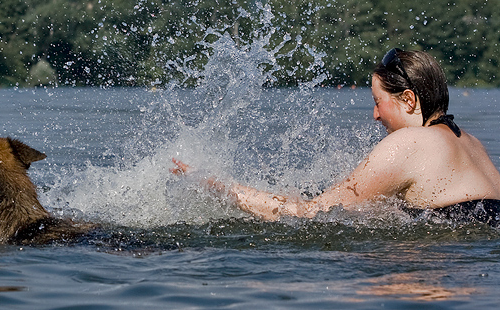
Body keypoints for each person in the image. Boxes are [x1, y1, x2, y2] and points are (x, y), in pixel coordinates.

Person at [172, 49, 500, 224]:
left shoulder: (410, 144)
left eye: (378, 103)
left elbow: (311, 214)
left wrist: (218, 187)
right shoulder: (471, 144)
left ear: (409, 100)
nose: (375, 115)